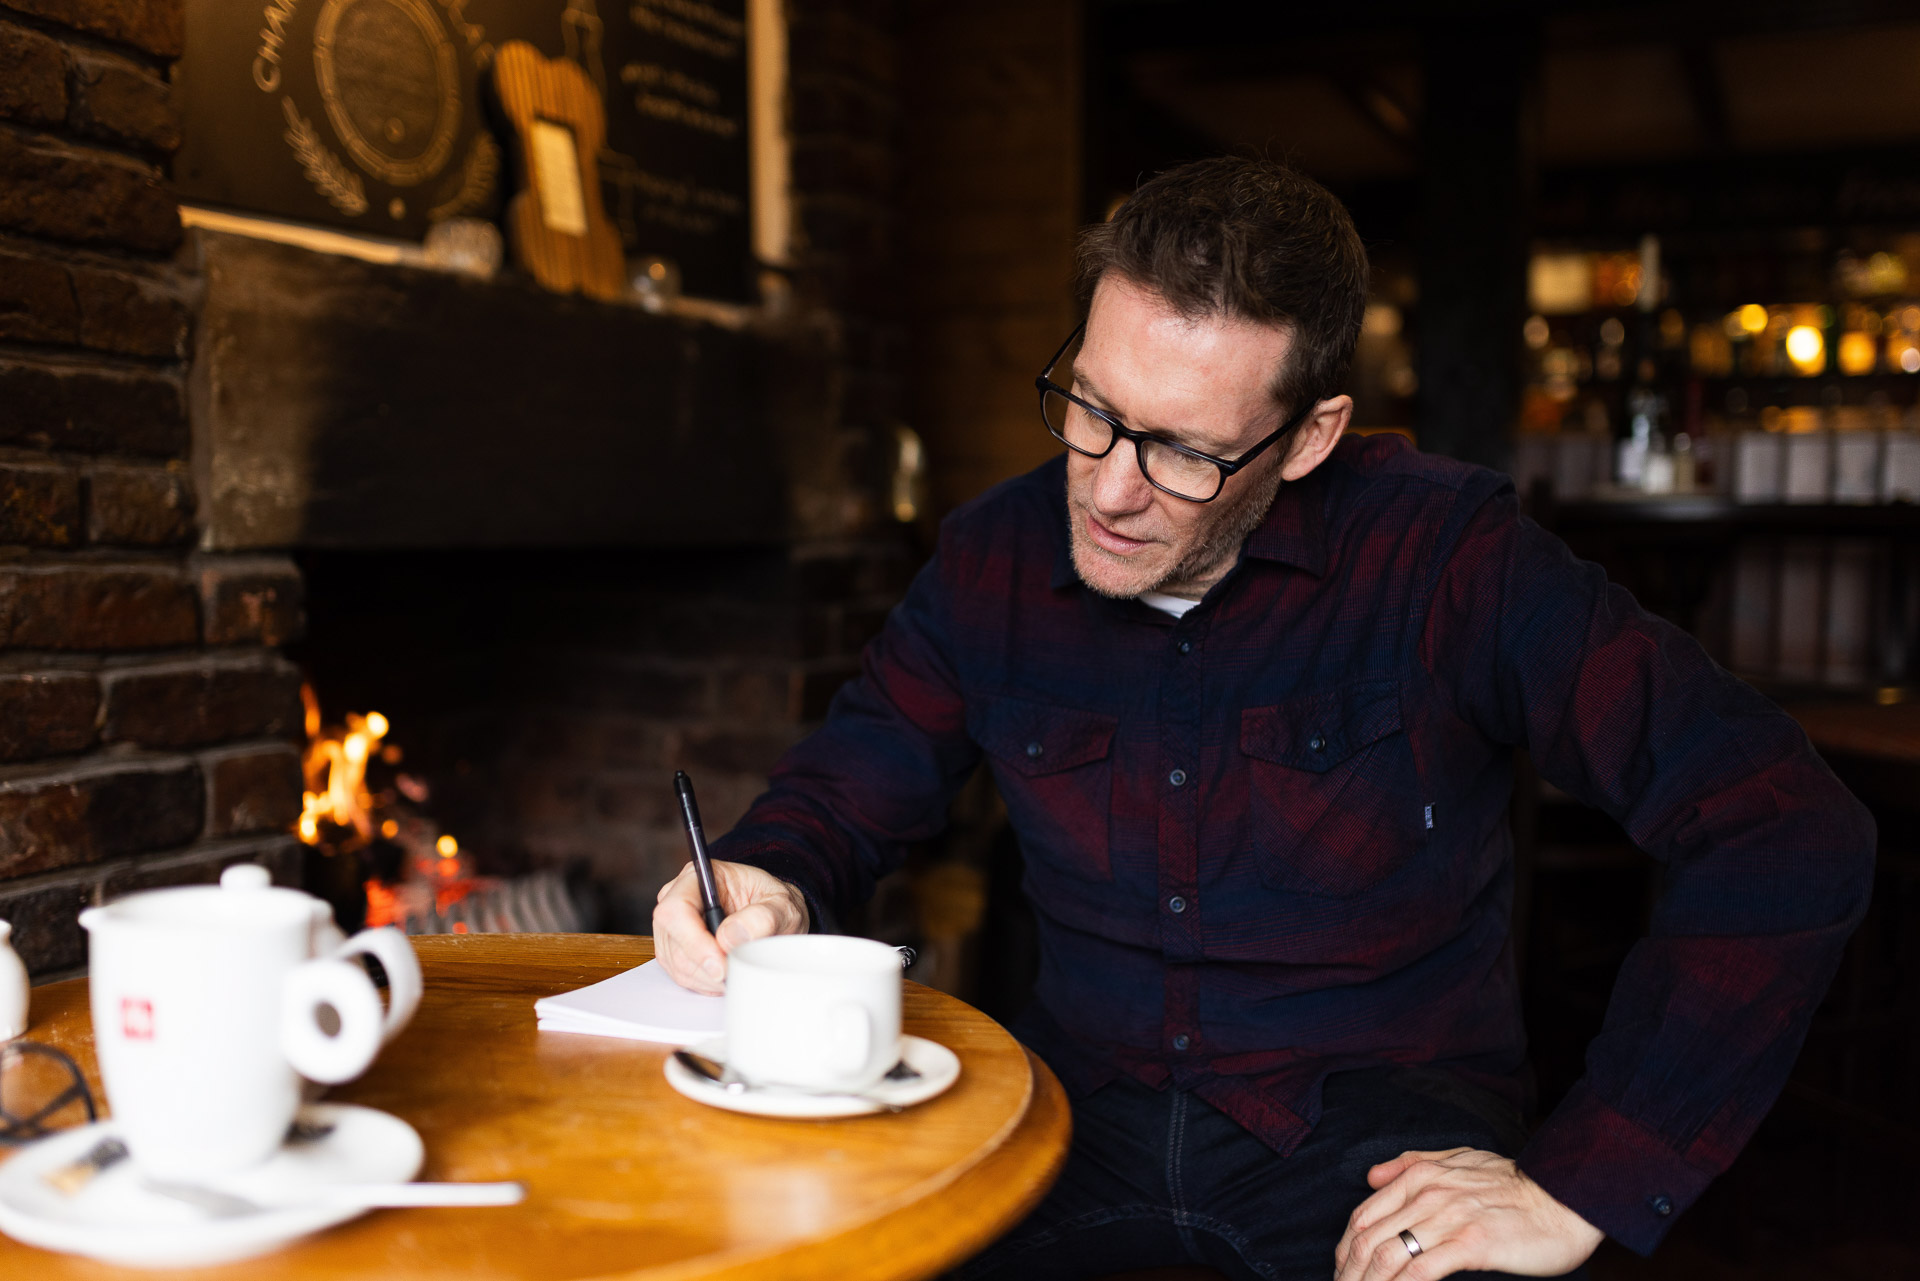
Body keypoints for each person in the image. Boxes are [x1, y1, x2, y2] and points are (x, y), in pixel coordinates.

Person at [651, 157, 1876, 1281]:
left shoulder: (1451, 561)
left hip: (1377, 1160)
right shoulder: (995, 558)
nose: (1112, 487)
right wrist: (767, 877)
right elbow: (852, 782)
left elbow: (1781, 826)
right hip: (1073, 1129)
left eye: (1185, 452)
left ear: (1311, 438)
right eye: (1091, 410)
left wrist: (1581, 1183)